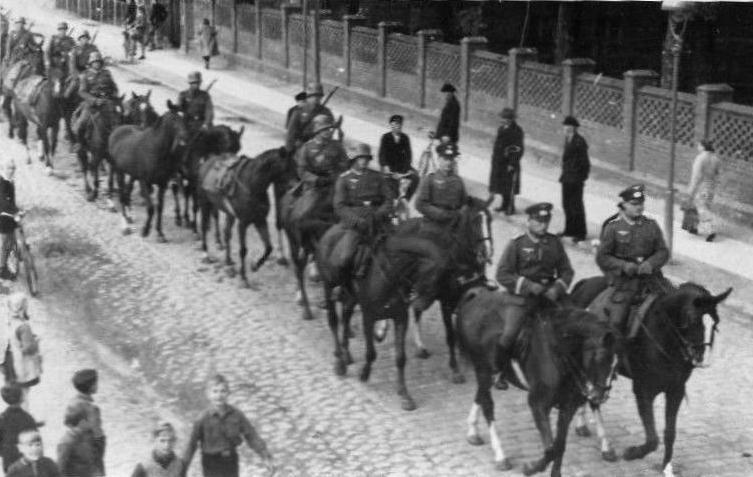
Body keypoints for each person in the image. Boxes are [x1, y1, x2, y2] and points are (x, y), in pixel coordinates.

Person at [494, 202, 574, 389]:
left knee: (575, 321)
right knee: (509, 334)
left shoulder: (554, 243)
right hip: (523, 298)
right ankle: (499, 370)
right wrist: (528, 286)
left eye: (546, 221)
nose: (543, 225)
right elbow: (502, 275)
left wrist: (557, 289)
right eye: (538, 221)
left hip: (550, 295)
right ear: (529, 221)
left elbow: (567, 271)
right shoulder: (517, 244)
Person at [596, 184, 671, 331]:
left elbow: (663, 251)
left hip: (652, 279)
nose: (639, 207)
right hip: (626, 282)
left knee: (676, 304)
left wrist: (650, 263)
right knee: (617, 320)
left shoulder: (651, 226)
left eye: (641, 203)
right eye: (634, 204)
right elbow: (603, 257)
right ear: (624, 205)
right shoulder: (613, 228)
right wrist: (623, 266)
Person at [184, 374, 274, 477]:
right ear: (208, 394)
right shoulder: (202, 419)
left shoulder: (236, 415)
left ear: (228, 393)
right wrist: (183, 469)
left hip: (231, 460)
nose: (219, 395)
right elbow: (191, 445)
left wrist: (265, 456)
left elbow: (251, 436)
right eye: (215, 391)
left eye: (223, 391)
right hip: (211, 463)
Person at [332, 143, 394, 278]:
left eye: (367, 158)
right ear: (354, 159)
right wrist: (355, 221)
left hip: (378, 219)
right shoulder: (344, 179)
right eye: (361, 158)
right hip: (357, 223)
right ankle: (343, 285)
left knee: (399, 247)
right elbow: (339, 206)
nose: (364, 161)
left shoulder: (377, 177)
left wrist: (379, 214)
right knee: (345, 257)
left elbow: (389, 199)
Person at [72, 51, 119, 146]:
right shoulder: (85, 75)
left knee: (122, 117)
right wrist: (94, 100)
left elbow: (114, 88)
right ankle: (80, 144)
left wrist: (113, 95)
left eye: (98, 62)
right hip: (92, 104)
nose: (97, 64)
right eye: (94, 62)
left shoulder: (106, 73)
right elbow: (82, 92)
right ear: (91, 63)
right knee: (81, 123)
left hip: (108, 102)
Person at [4, 293, 41, 411]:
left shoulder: (9, 323)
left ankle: (15, 416)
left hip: (10, 362)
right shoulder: (24, 327)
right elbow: (29, 348)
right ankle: (23, 418)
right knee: (23, 394)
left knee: (14, 392)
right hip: (21, 366)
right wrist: (36, 341)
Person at [66, 369, 105, 476]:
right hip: (90, 454)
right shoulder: (92, 408)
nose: (98, 385)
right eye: (96, 383)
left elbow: (67, 423)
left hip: (76, 453)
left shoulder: (72, 403)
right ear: (91, 386)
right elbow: (98, 435)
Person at [559, 115, 590, 243]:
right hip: (566, 177)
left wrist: (581, 178)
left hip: (576, 179)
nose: (564, 128)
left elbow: (585, 163)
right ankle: (569, 229)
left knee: (576, 205)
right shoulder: (568, 139)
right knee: (566, 204)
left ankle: (580, 233)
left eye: (567, 126)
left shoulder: (579, 142)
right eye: (564, 126)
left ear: (573, 127)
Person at [488, 107, 524, 215]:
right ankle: (503, 205)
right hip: (499, 162)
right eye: (502, 118)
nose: (502, 120)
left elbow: (518, 148)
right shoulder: (501, 128)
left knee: (509, 186)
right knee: (501, 185)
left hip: (508, 163)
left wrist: (512, 163)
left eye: (504, 118)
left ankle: (510, 207)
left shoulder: (517, 131)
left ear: (510, 120)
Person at [378, 114, 419, 201]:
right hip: (389, 168)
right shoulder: (386, 137)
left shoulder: (405, 138)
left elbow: (409, 156)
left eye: (399, 124)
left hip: (401, 168)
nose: (398, 126)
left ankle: (405, 201)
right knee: (387, 182)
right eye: (395, 124)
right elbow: (382, 154)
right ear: (391, 125)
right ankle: (389, 200)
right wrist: (385, 166)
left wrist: (404, 171)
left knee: (415, 177)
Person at [285, 82, 335, 154]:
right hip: (300, 146)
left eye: (318, 96)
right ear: (308, 97)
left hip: (320, 146)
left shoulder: (326, 112)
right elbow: (291, 132)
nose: (316, 98)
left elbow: (330, 130)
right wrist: (289, 150)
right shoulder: (299, 111)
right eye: (313, 96)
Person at [687, 139, 721, 242]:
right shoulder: (716, 159)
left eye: (699, 145)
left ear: (703, 147)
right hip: (711, 186)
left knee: (701, 208)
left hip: (701, 186)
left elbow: (696, 176)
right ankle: (694, 227)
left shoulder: (700, 158)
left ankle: (711, 229)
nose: (698, 147)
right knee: (703, 206)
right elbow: (717, 174)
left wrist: (691, 188)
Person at [0, 385, 37, 472]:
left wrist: (4, 453)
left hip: (9, 460)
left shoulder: (2, 418)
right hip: (26, 459)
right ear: (21, 398)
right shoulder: (28, 418)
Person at [57, 406, 97, 477]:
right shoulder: (66, 443)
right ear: (82, 422)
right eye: (90, 420)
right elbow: (60, 470)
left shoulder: (86, 436)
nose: (92, 422)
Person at [177, 71, 214, 136]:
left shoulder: (205, 96)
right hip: (187, 124)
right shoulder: (183, 95)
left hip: (201, 124)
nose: (197, 85)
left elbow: (209, 111)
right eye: (194, 83)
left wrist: (206, 123)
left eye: (198, 83)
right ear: (190, 83)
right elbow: (179, 108)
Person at [0, 161, 18, 280]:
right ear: (3, 168)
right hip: (2, 215)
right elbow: (3, 202)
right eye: (9, 168)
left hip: (7, 214)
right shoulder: (2, 182)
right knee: (6, 241)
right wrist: (13, 212)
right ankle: (2, 269)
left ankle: (12, 256)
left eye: (13, 168)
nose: (11, 170)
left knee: (11, 239)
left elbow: (11, 202)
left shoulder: (10, 182)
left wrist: (17, 210)